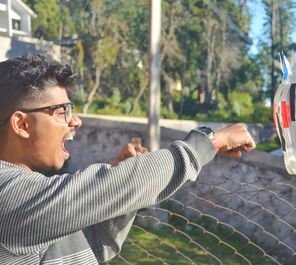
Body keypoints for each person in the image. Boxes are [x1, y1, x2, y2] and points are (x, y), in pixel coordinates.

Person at [0, 54, 256, 265]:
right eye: (61, 112)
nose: (75, 120)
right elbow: (112, 186)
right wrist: (209, 142)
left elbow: (95, 244)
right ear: (21, 124)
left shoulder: (30, 207)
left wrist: (123, 183)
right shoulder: (8, 196)